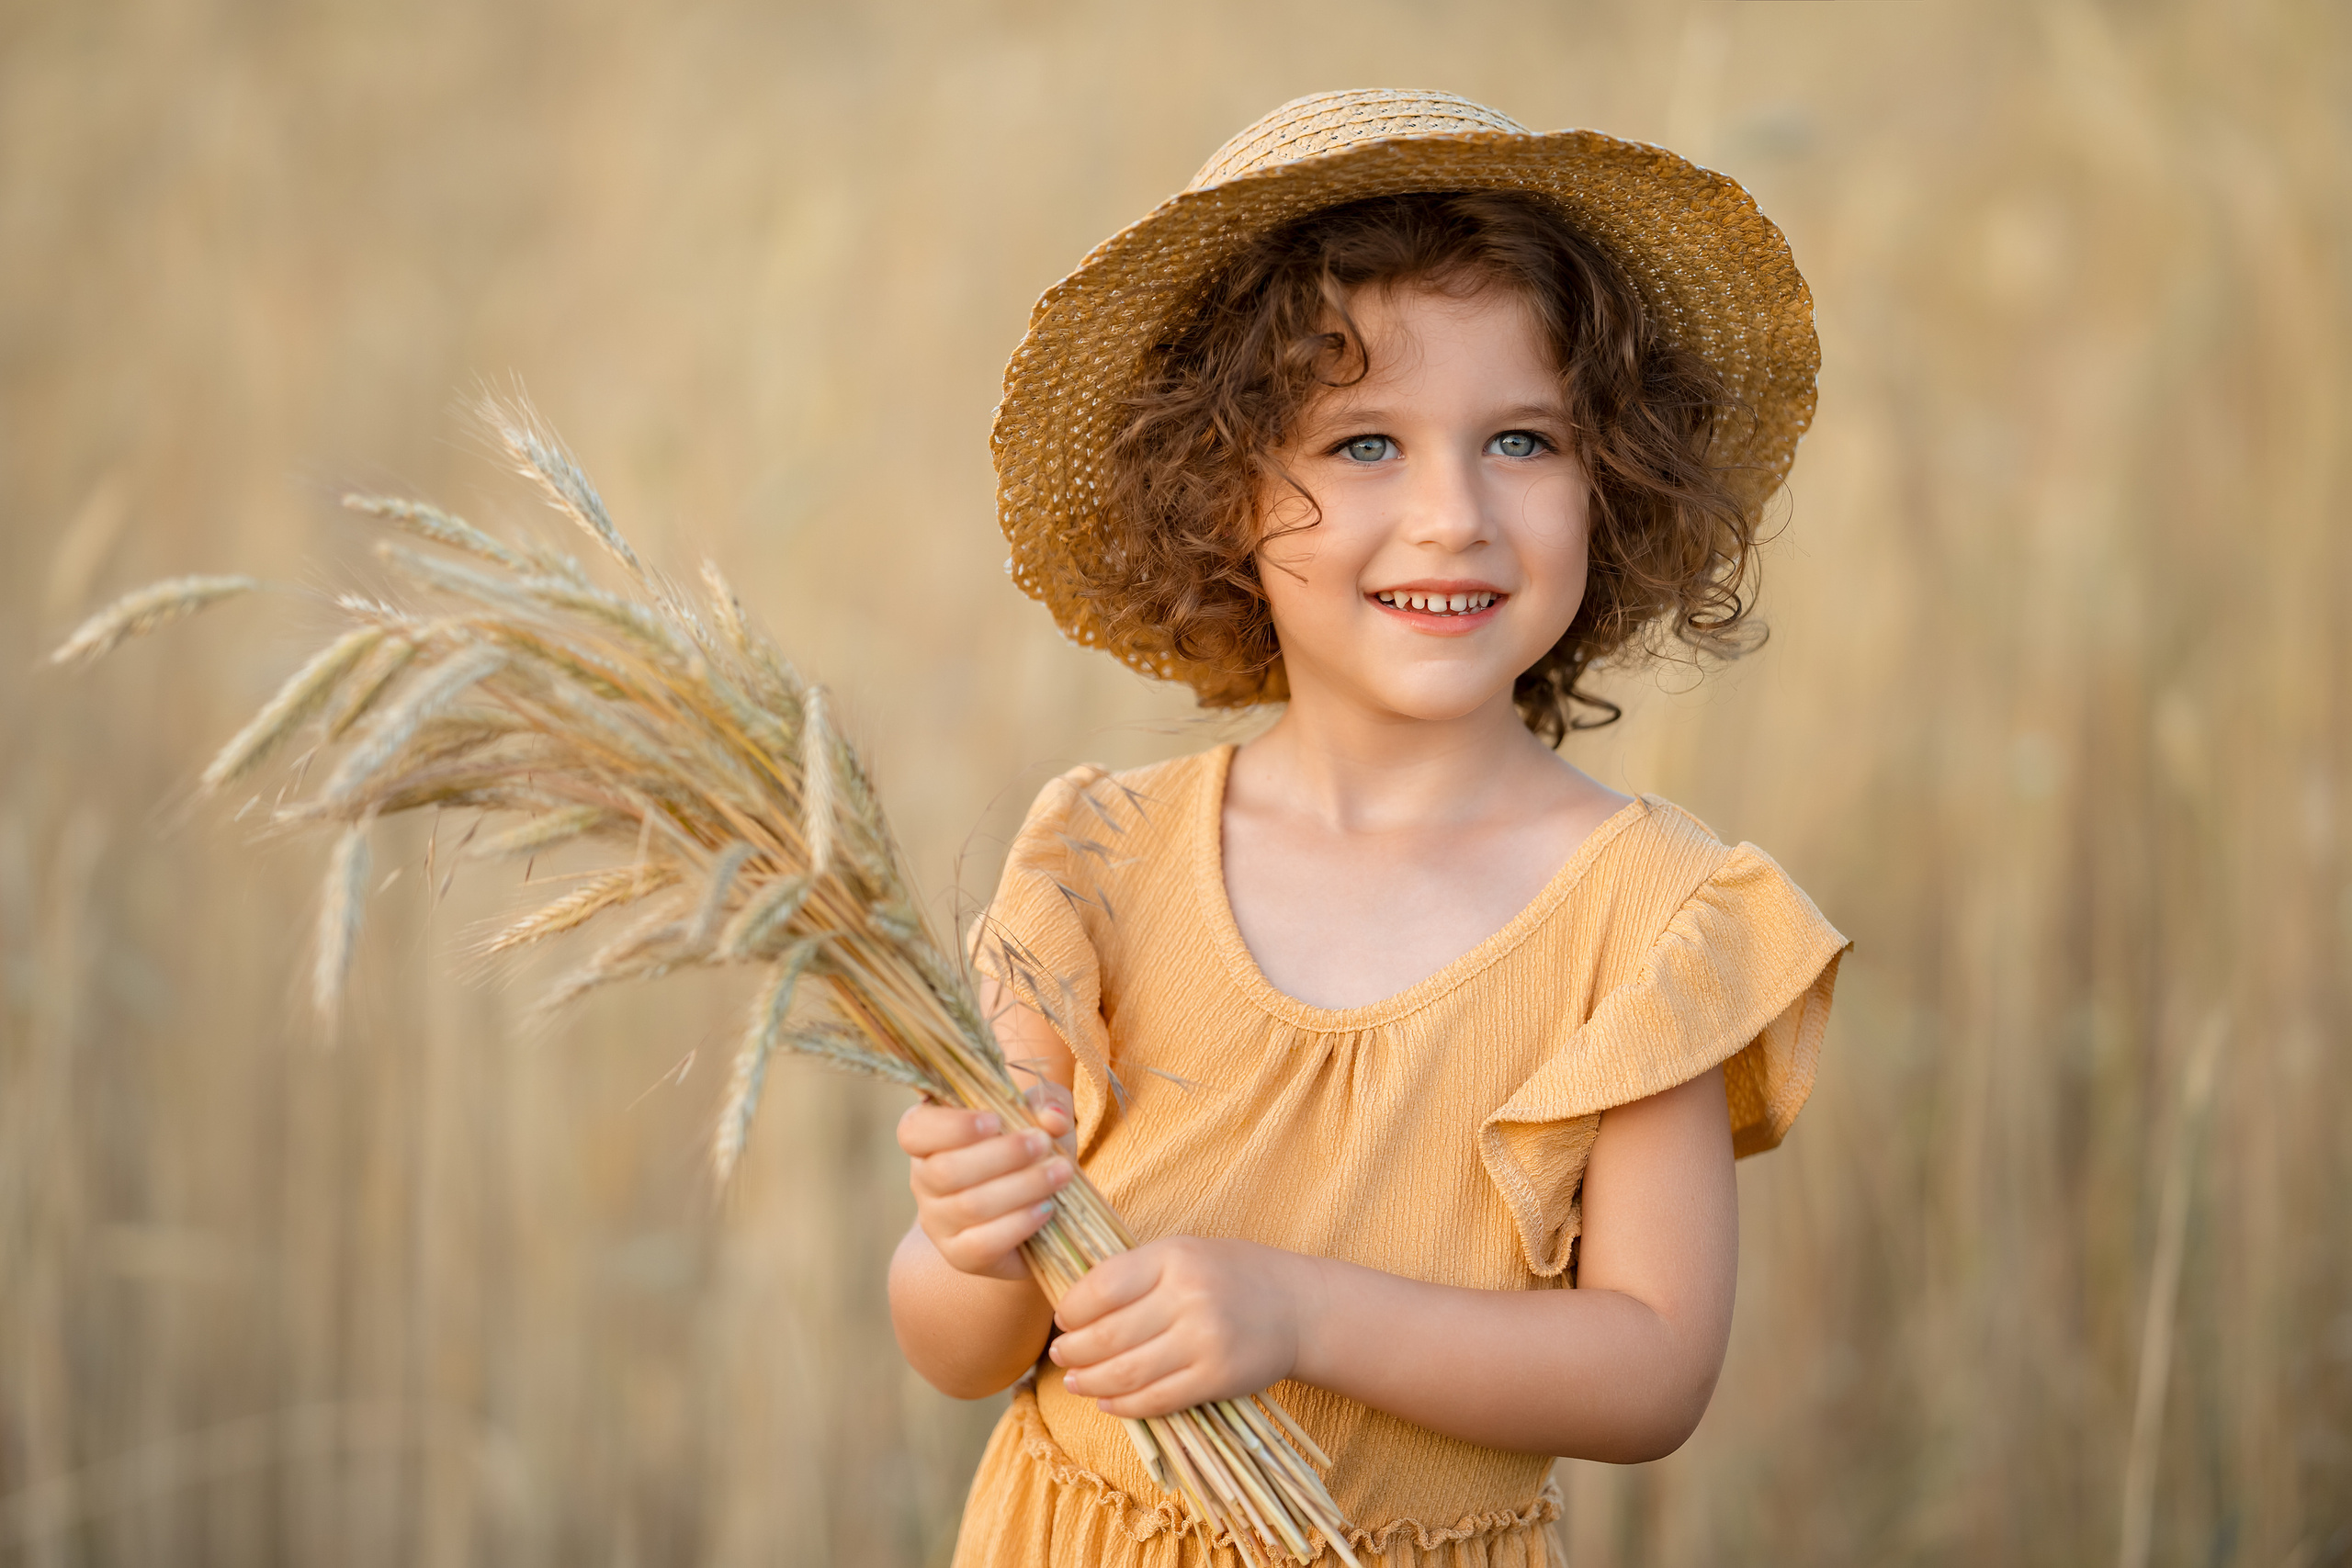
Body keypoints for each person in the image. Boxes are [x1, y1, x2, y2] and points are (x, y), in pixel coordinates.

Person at [888, 89, 1848, 1566]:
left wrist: (1298, 1313)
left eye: (1523, 440)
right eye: (1362, 446)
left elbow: (1655, 1366)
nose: (1455, 513)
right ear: (1221, 497)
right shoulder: (1098, 865)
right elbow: (961, 1351)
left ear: (1617, 477)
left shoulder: (1658, 920)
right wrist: (969, 1237)